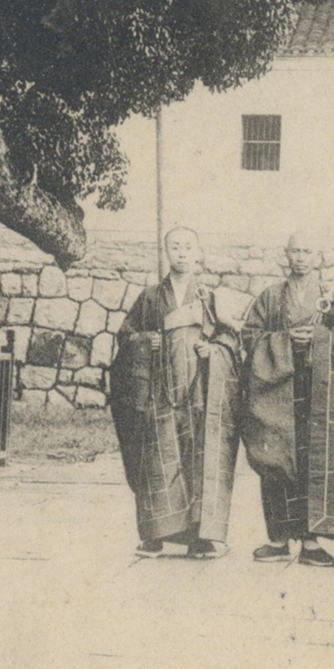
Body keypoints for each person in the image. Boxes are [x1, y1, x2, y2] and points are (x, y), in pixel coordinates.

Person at [238, 229, 334, 566]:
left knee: (314, 459)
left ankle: (312, 540)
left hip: (321, 393)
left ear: (318, 257)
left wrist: (320, 337)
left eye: (307, 251)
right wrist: (285, 340)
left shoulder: (332, 298)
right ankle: (277, 538)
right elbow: (250, 336)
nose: (301, 257)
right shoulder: (271, 298)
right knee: (276, 461)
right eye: (295, 251)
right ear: (285, 254)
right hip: (277, 391)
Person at [109, 226, 241, 559]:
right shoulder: (151, 296)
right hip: (160, 390)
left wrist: (212, 349)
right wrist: (145, 342)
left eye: (187, 247)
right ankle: (154, 535)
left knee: (199, 460)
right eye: (175, 247)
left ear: (198, 253)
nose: (182, 253)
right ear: (167, 253)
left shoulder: (209, 297)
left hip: (199, 391)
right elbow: (126, 335)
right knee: (157, 461)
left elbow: (230, 338)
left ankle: (201, 538)